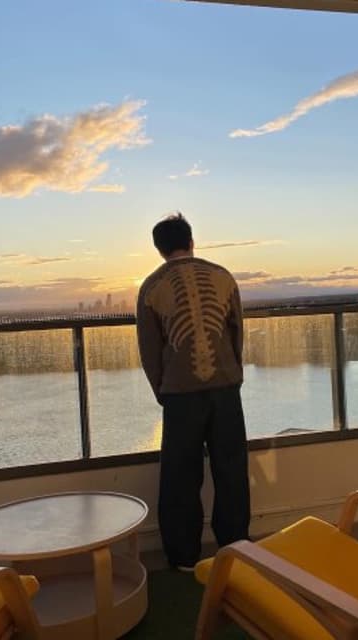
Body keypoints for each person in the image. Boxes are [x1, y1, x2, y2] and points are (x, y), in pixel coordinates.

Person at [136, 212, 250, 571]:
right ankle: (236, 546)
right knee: (232, 469)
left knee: (180, 475)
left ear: (159, 249)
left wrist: (163, 390)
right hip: (225, 387)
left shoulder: (152, 287)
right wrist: (232, 373)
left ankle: (183, 555)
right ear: (191, 241)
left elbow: (149, 350)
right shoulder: (223, 277)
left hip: (180, 394)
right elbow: (236, 332)